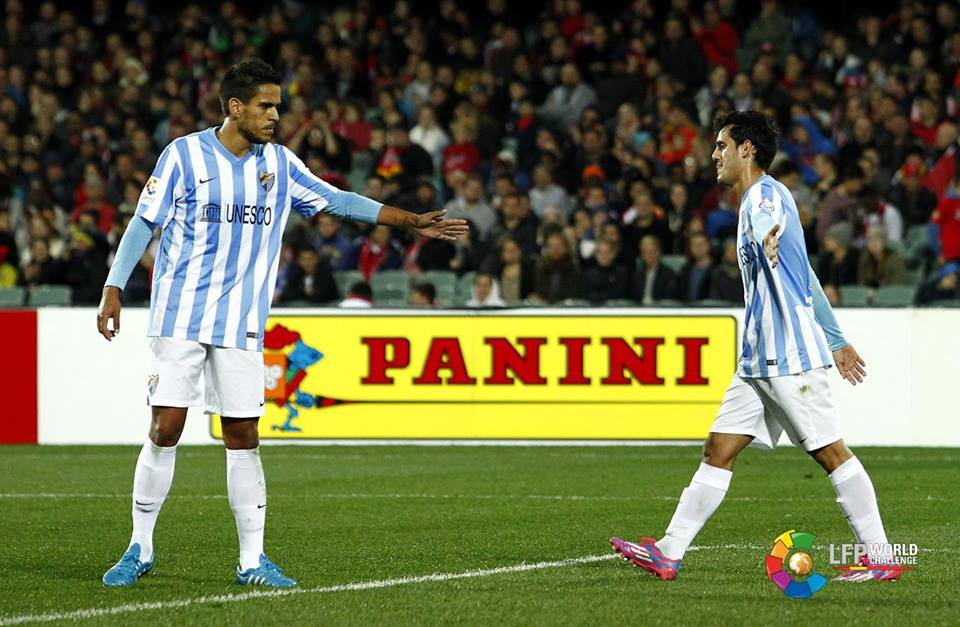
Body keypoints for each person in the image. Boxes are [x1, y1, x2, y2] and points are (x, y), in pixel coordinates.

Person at [95, 60, 467, 589]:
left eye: (278, 106)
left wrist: (408, 221)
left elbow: (337, 200)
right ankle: (140, 546)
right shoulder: (183, 155)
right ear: (235, 107)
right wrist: (114, 287)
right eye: (265, 106)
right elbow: (143, 222)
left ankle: (252, 561)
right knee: (166, 427)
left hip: (242, 322)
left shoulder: (280, 164)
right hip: (180, 315)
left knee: (243, 434)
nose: (275, 115)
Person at [611, 110, 895, 583]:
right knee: (718, 448)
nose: (714, 155)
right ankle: (669, 551)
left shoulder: (764, 195)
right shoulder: (751, 202)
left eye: (722, 145)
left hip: (788, 354)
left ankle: (882, 556)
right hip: (757, 359)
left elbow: (769, 225)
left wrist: (766, 234)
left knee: (830, 451)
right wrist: (837, 338)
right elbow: (807, 279)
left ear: (747, 149)